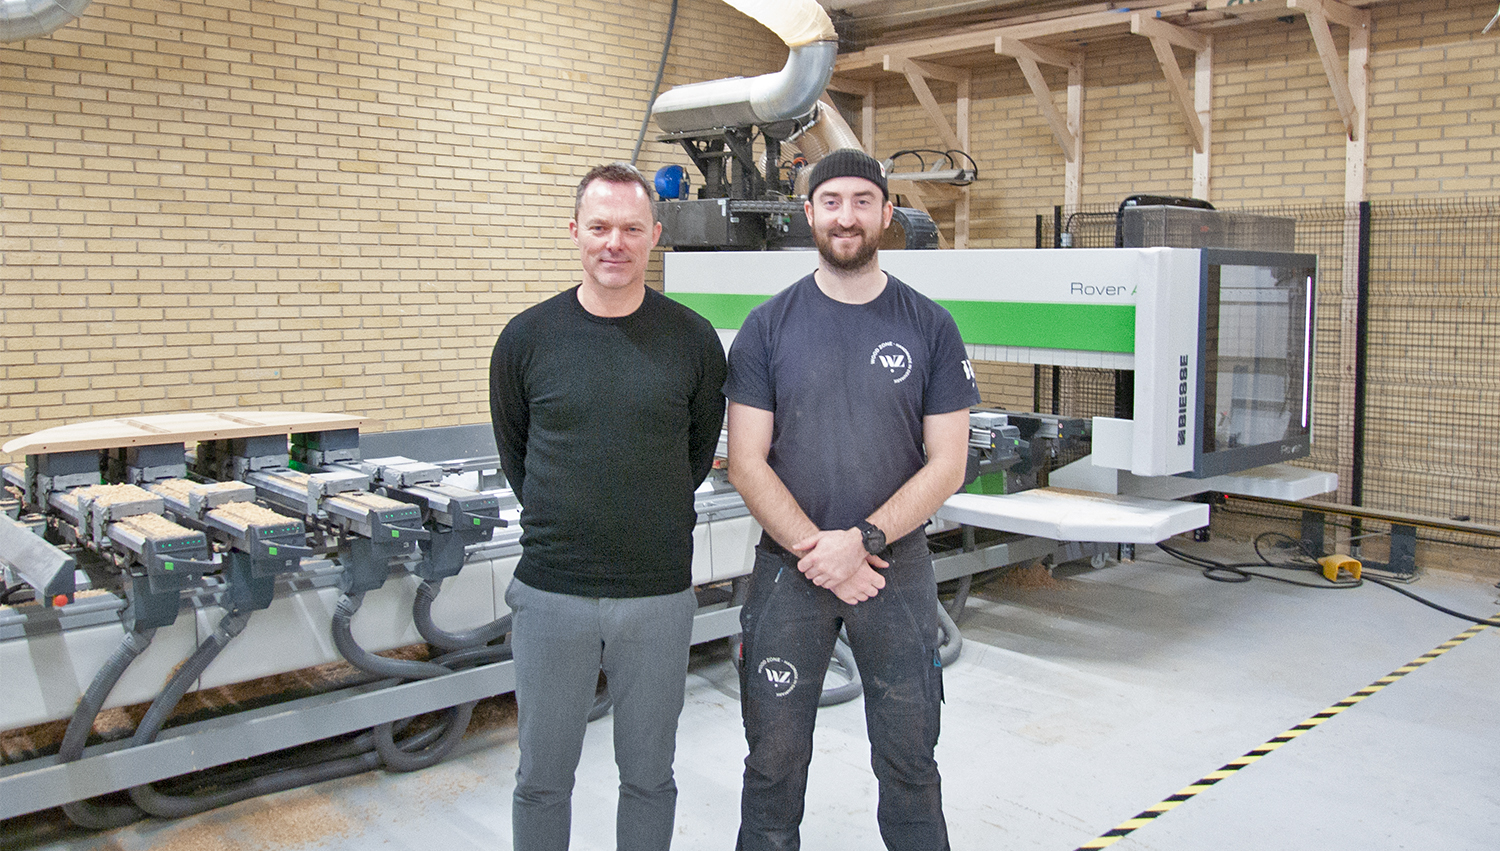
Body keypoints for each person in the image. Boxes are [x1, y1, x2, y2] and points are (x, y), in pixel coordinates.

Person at [724, 148, 980, 851]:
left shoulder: (930, 325)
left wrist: (860, 542)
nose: (847, 216)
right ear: (808, 213)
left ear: (886, 213)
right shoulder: (766, 327)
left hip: (893, 570)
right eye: (831, 201)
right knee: (772, 763)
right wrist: (823, 553)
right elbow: (746, 462)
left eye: (863, 201)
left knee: (910, 760)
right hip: (790, 572)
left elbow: (948, 463)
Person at [489, 162, 728, 851]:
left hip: (656, 596)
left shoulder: (692, 340)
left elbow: (693, 455)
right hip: (551, 594)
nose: (614, 243)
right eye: (599, 227)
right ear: (575, 232)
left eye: (630, 228)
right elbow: (517, 454)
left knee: (649, 777)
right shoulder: (527, 338)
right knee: (541, 780)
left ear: (656, 233)